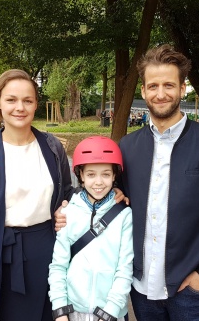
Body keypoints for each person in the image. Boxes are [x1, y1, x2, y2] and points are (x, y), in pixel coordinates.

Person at [0, 69, 126, 321]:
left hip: (48, 252)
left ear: (36, 105)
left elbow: (69, 193)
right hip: (1, 256)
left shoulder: (51, 147)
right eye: (11, 100)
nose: (19, 107)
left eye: (28, 100)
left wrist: (110, 195)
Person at [118, 44, 199, 320]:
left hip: (191, 289)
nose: (160, 93)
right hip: (140, 291)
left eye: (169, 85)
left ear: (182, 88)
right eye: (153, 86)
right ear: (143, 91)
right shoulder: (127, 148)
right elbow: (115, 202)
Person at [48, 136, 133, 321]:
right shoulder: (68, 212)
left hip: (111, 313)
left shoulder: (124, 215)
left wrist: (109, 312)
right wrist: (60, 309)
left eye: (106, 174)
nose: (99, 182)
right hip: (73, 312)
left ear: (114, 176)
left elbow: (124, 269)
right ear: (81, 176)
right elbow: (58, 266)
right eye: (91, 174)